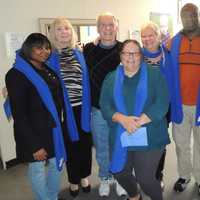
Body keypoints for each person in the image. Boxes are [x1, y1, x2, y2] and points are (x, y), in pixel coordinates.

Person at [100, 39, 170, 200]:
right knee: (119, 172)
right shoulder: (110, 78)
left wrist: (140, 121)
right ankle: (134, 196)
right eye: (126, 53)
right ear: (120, 56)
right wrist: (122, 119)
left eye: (135, 53)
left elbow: (162, 101)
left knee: (145, 179)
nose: (130, 57)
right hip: (121, 134)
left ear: (141, 56)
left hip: (150, 134)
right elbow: (104, 105)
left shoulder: (154, 75)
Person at [5, 33, 72, 200]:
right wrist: (35, 146)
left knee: (58, 165)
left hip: (53, 129)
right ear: (28, 48)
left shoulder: (47, 68)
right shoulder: (16, 74)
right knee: (38, 170)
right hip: (33, 133)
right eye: (39, 47)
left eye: (47, 47)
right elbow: (19, 115)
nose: (45, 51)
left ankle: (52, 196)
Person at [83, 12, 126, 197]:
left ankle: (122, 178)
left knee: (121, 145)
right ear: (98, 28)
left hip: (121, 109)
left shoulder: (126, 48)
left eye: (111, 24)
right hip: (97, 109)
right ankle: (105, 178)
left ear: (116, 26)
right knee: (101, 147)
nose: (107, 28)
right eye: (103, 25)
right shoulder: (88, 50)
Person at [49, 17, 92, 198]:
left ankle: (84, 176)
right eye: (59, 29)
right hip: (64, 112)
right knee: (70, 147)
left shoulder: (79, 52)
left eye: (67, 28)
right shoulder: (49, 56)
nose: (64, 32)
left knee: (85, 145)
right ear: (53, 33)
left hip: (83, 108)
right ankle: (73, 180)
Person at [170, 3, 200, 194]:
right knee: (181, 144)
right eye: (184, 15)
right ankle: (184, 175)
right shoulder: (173, 42)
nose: (188, 18)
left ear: (197, 15)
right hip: (180, 104)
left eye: (192, 14)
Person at [140, 21, 174, 189]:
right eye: (143, 36)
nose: (147, 39)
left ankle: (157, 174)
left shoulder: (168, 54)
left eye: (150, 35)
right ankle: (143, 174)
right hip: (141, 108)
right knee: (142, 143)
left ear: (158, 35)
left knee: (159, 143)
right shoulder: (136, 55)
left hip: (163, 108)